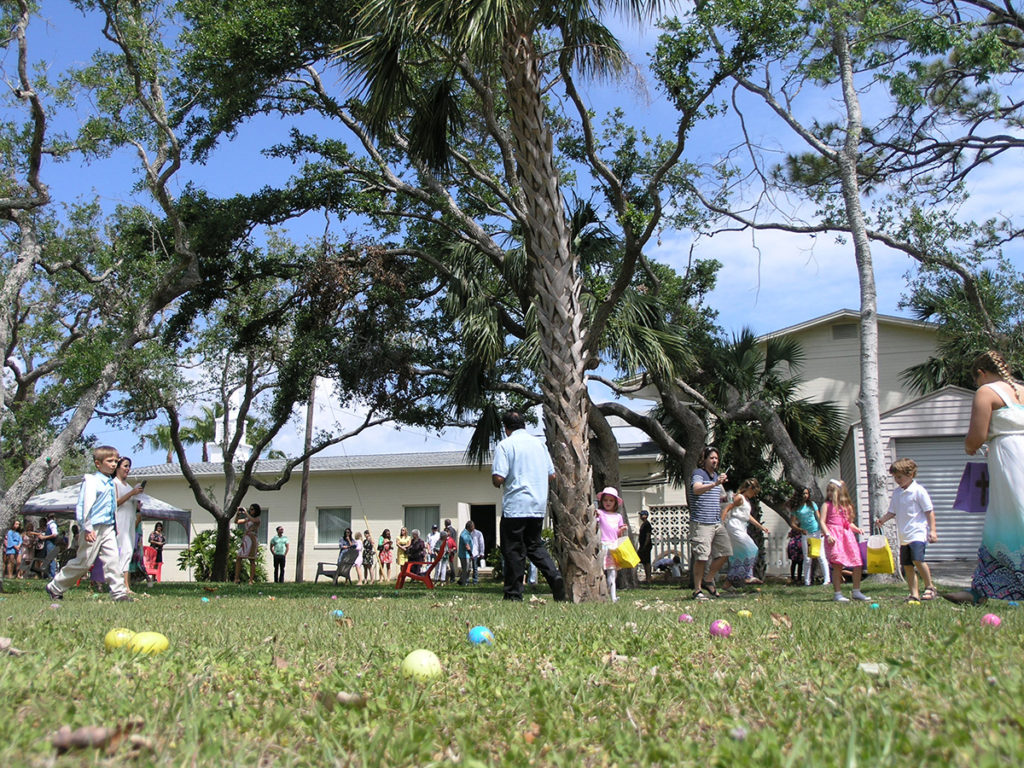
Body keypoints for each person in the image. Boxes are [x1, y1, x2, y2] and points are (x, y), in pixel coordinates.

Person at [946, 350, 1024, 604]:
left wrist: (970, 447)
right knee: (1005, 520)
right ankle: (981, 589)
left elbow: (976, 436)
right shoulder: (1022, 390)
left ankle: (982, 591)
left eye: (976, 380)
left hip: (1010, 460)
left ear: (981, 373)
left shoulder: (986, 391)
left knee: (1007, 519)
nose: (977, 385)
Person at [490, 410, 566, 602]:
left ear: (506, 428)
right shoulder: (539, 445)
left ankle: (513, 595)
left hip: (516, 505)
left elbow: (499, 477)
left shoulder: (505, 445)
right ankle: (554, 576)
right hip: (537, 504)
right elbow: (552, 474)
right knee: (535, 545)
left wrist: (497, 481)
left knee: (513, 550)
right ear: (523, 425)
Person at [45, 445, 132, 601]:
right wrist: (87, 527)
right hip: (93, 527)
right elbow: (86, 506)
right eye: (109, 461)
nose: (113, 464)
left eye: (115, 461)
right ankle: (55, 587)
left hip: (108, 527)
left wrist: (114, 526)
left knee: (113, 559)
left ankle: (119, 593)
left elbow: (112, 506)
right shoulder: (92, 481)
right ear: (98, 464)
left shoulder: (110, 482)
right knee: (84, 563)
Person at [875, 458, 938, 601]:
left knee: (918, 560)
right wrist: (882, 520)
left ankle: (930, 586)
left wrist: (933, 531)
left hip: (917, 532)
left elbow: (929, 511)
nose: (897, 480)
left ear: (910, 475)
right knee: (907, 565)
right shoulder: (897, 493)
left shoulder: (918, 491)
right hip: (904, 535)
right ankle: (914, 594)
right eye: (895, 477)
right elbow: (892, 511)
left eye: (899, 477)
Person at [689, 446, 731, 601]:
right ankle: (697, 590)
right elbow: (697, 489)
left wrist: (723, 488)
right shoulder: (699, 474)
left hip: (716, 522)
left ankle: (708, 579)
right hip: (701, 522)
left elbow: (723, 497)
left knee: (726, 552)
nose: (715, 461)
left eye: (716, 458)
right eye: (711, 458)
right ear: (704, 459)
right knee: (701, 556)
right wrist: (714, 484)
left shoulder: (716, 477)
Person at [819, 479, 870, 602]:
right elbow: (822, 521)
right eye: (828, 491)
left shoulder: (846, 507)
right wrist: (827, 534)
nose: (830, 493)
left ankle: (856, 591)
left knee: (857, 562)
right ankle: (837, 593)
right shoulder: (826, 505)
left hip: (847, 536)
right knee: (837, 565)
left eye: (832, 491)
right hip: (834, 536)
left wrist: (857, 529)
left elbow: (848, 523)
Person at [722, 479, 769, 588]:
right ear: (749, 489)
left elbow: (748, 516)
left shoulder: (746, 500)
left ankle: (729, 581)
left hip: (742, 526)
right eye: (754, 491)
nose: (754, 494)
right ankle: (747, 575)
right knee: (752, 548)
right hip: (735, 525)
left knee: (738, 554)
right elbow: (728, 508)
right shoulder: (739, 498)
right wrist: (721, 523)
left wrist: (761, 527)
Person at [113, 457, 145, 594]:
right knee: (121, 552)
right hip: (120, 522)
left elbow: (131, 504)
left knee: (127, 552)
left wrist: (137, 501)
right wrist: (132, 493)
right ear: (118, 467)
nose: (127, 469)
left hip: (130, 523)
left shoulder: (129, 486)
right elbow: (115, 503)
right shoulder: (114, 484)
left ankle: (126, 585)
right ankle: (121, 586)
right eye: (125, 466)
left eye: (129, 466)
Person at [787, 486, 830, 587]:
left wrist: (823, 530)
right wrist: (800, 530)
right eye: (803, 494)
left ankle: (827, 580)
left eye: (807, 493)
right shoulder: (796, 508)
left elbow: (819, 517)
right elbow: (792, 523)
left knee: (820, 556)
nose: (805, 496)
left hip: (816, 532)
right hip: (805, 534)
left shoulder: (812, 504)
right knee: (807, 558)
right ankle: (807, 581)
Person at [596, 487, 628, 603]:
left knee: (612, 573)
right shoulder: (600, 513)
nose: (608, 503)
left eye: (611, 501)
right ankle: (600, 594)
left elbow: (617, 534)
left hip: (613, 547)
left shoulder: (618, 516)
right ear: (602, 501)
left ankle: (613, 596)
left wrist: (622, 530)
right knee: (599, 572)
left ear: (615, 502)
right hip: (602, 545)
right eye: (605, 500)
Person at [233, 504, 262, 585]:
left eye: (252, 509)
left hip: (252, 539)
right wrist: (237, 514)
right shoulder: (247, 519)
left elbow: (253, 520)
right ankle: (236, 579)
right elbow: (236, 522)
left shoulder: (257, 519)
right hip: (246, 539)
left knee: (251, 559)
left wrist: (246, 512)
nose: (251, 510)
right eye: (250, 509)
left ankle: (251, 580)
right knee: (239, 557)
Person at [38, 512, 61, 579]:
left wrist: (44, 537)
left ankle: (52, 575)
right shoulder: (49, 525)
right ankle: (46, 575)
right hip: (47, 543)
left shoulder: (52, 524)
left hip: (51, 543)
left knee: (51, 559)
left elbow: (55, 534)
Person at [637, 510, 653, 584]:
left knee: (647, 562)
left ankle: (648, 578)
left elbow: (648, 535)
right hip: (642, 545)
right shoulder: (643, 524)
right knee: (643, 562)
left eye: (642, 515)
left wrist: (645, 546)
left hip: (646, 546)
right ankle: (647, 578)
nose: (640, 516)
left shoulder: (647, 524)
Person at [458, 521, 475, 585]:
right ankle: (463, 583)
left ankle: (461, 580)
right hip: (464, 555)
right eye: (473, 526)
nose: (474, 528)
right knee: (466, 569)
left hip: (467, 555)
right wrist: (471, 554)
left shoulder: (468, 534)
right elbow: (467, 546)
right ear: (469, 527)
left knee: (469, 569)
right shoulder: (464, 534)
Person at [444, 518, 458, 583]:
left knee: (449, 564)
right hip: (452, 549)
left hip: (449, 549)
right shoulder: (454, 530)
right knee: (450, 564)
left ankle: (451, 578)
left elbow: (450, 540)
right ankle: (451, 578)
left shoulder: (447, 530)